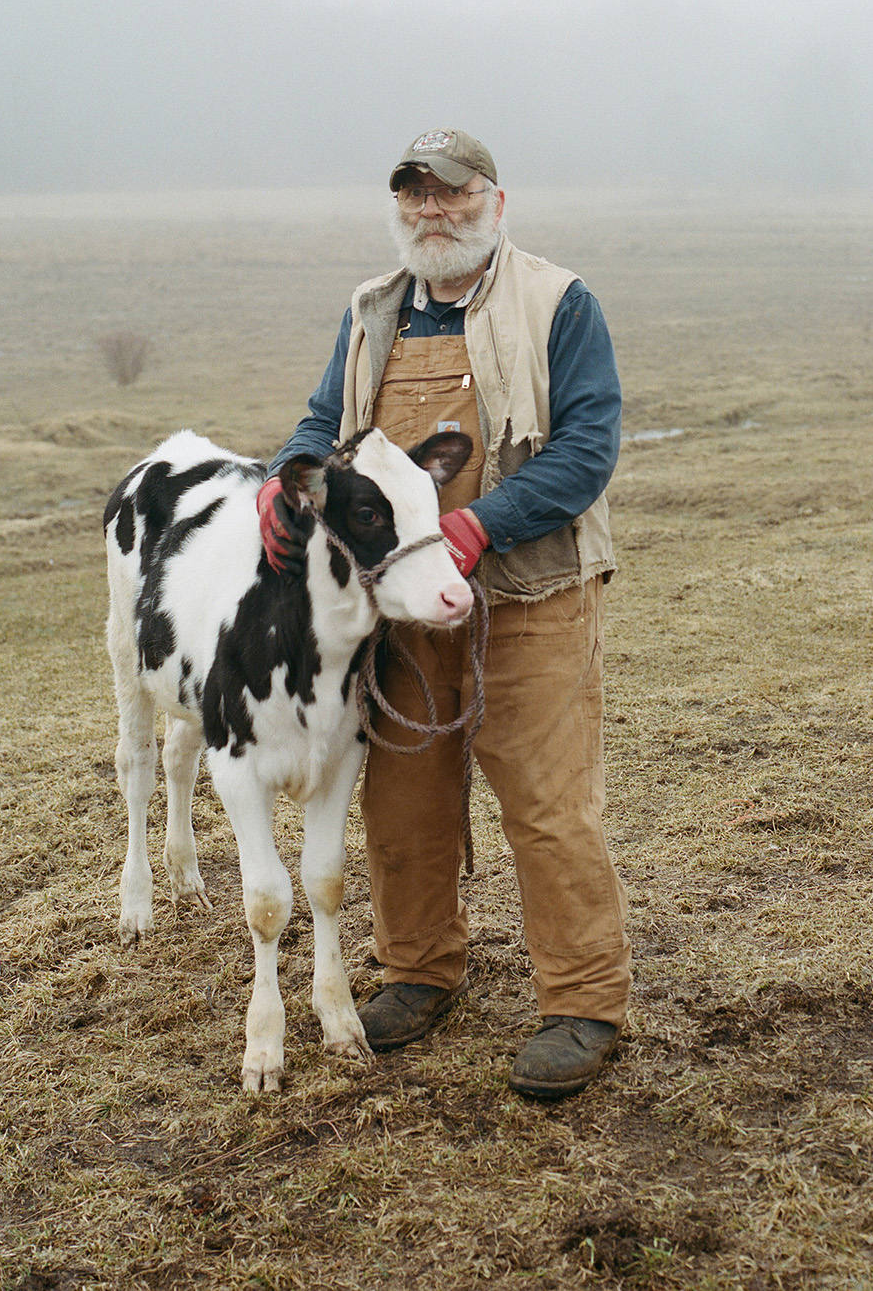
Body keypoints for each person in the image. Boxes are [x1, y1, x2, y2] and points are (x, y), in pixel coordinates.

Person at [257, 128, 629, 1099]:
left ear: (494, 203)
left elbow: (587, 448)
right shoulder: (372, 311)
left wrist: (477, 529)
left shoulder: (558, 301)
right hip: (403, 609)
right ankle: (418, 972)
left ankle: (583, 1003)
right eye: (415, 195)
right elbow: (322, 426)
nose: (433, 211)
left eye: (453, 194)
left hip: (530, 592)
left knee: (546, 803)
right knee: (401, 799)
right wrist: (284, 480)